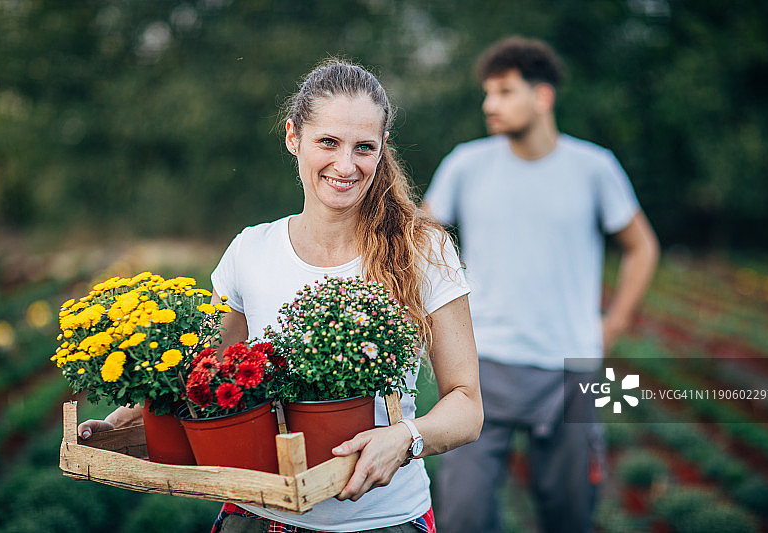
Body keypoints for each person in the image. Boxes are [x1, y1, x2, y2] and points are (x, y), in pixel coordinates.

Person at [78, 59, 483, 533]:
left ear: (382, 149)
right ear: (293, 137)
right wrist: (124, 420)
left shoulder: (421, 249)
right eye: (328, 142)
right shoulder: (252, 248)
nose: (346, 164)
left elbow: (467, 405)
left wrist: (406, 438)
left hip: (384, 520)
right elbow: (196, 368)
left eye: (364, 147)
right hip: (258, 513)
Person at [424, 36, 660, 533]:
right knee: (462, 514)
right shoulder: (466, 164)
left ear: (543, 96)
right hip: (482, 364)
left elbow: (642, 246)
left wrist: (612, 324)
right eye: (488, 93)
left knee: (570, 514)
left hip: (570, 367)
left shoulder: (594, 168)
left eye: (505, 91)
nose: (490, 104)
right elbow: (420, 243)